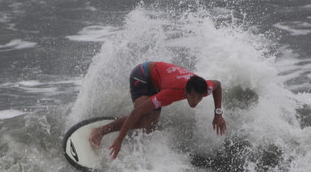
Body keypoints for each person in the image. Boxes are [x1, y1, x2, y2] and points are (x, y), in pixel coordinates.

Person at [89, 61, 227, 159]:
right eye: (193, 97)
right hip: (143, 75)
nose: (195, 102)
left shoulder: (204, 88)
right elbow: (137, 112)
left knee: (150, 128)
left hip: (160, 82)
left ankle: (129, 133)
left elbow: (218, 85)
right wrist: (119, 139)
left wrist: (218, 114)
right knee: (144, 119)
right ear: (186, 91)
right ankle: (100, 131)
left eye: (199, 98)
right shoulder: (171, 93)